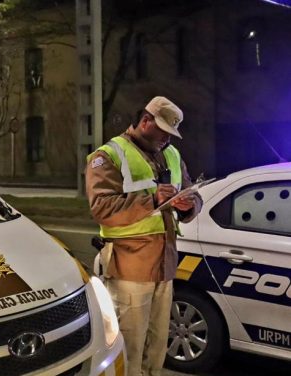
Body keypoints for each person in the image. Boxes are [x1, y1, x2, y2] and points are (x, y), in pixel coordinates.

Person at [85, 96, 203, 376]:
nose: (166, 139)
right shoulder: (108, 155)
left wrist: (189, 205)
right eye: (162, 132)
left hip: (164, 265)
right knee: (130, 345)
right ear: (145, 121)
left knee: (157, 344)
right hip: (129, 267)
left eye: (170, 134)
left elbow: (192, 194)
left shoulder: (172, 155)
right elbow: (102, 208)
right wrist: (150, 199)